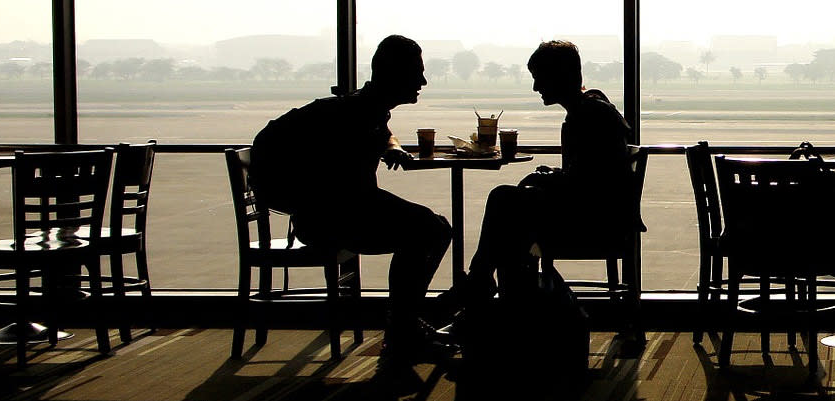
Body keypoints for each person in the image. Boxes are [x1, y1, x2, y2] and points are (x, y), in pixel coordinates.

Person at [248, 35, 455, 365]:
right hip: (333, 218)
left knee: (433, 228)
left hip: (341, 211)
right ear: (394, 74)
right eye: (416, 72)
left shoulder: (361, 109)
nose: (423, 81)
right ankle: (402, 331)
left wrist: (391, 146)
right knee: (432, 230)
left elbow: (384, 131)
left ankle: (403, 328)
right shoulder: (353, 115)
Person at [459, 40, 638, 306]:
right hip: (603, 212)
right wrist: (552, 177)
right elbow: (590, 174)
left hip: (596, 218)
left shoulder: (588, 117)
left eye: (539, 78)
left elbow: (587, 183)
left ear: (560, 76)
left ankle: (489, 291)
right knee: (511, 216)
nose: (536, 87)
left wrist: (545, 179)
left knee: (504, 202)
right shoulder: (594, 110)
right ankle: (491, 292)